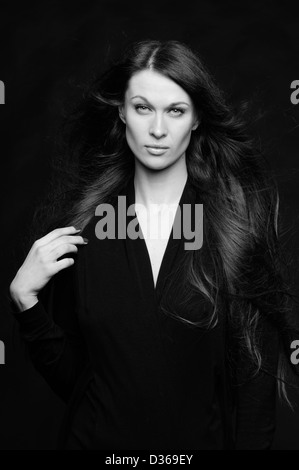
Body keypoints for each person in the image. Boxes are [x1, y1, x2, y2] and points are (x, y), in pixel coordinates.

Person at [8, 39, 299, 450]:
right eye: (143, 107)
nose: (158, 129)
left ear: (196, 118)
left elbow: (254, 401)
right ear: (122, 112)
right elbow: (82, 385)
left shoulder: (231, 233)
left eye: (175, 110)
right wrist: (27, 304)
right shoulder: (84, 231)